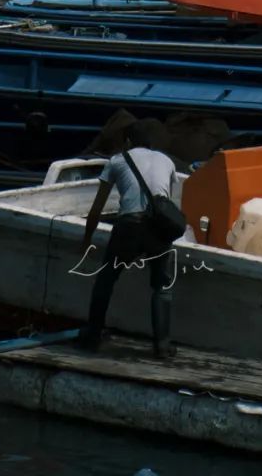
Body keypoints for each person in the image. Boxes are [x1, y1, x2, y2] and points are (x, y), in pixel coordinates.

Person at [76, 124, 178, 356]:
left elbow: (96, 209)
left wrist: (86, 240)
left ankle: (92, 335)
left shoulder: (117, 161)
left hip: (130, 225)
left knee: (106, 279)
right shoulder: (167, 161)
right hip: (160, 227)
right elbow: (166, 201)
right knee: (162, 286)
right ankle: (162, 346)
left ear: (128, 142)